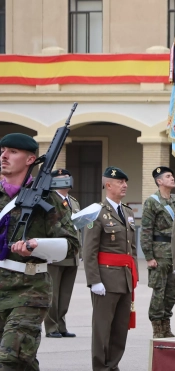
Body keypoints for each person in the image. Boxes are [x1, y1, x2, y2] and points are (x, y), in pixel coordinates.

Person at [0, 133, 76, 370]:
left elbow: (71, 245)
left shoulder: (49, 199)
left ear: (30, 159)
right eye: (2, 150)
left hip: (30, 288)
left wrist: (36, 246)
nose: (3, 156)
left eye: (12, 152)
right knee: (24, 360)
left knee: (11, 358)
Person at [83, 166, 138, 371]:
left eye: (125, 182)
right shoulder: (96, 212)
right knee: (102, 328)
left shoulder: (127, 212)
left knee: (120, 328)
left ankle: (113, 365)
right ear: (108, 185)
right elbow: (89, 250)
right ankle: (100, 367)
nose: (124, 186)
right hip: (105, 278)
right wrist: (94, 280)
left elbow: (131, 248)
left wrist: (134, 275)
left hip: (124, 278)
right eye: (120, 182)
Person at [141, 166, 175, 338]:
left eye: (172, 176)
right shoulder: (152, 202)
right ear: (159, 181)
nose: (172, 179)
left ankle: (166, 324)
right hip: (159, 252)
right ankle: (157, 327)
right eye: (168, 176)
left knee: (172, 292)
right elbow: (146, 230)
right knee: (159, 291)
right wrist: (149, 256)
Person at [44, 168, 81, 339]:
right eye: (61, 178)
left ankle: (61, 325)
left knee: (65, 292)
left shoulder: (73, 202)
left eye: (68, 177)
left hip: (71, 253)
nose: (66, 180)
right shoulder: (49, 200)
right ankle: (51, 327)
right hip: (56, 252)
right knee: (53, 292)